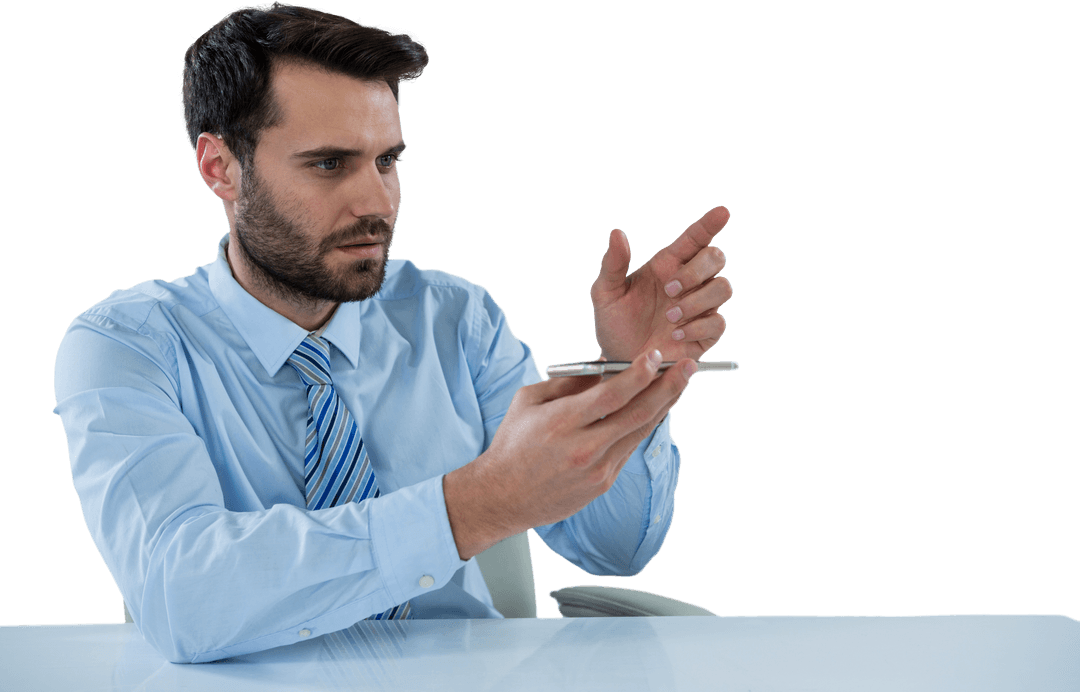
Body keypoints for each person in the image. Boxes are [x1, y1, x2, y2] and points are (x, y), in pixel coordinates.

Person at [52, 3, 733, 663]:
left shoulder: (455, 320)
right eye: (329, 164)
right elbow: (182, 597)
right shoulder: (126, 346)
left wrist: (630, 372)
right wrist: (472, 507)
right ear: (219, 167)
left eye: (386, 161)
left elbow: (614, 547)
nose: (378, 203)